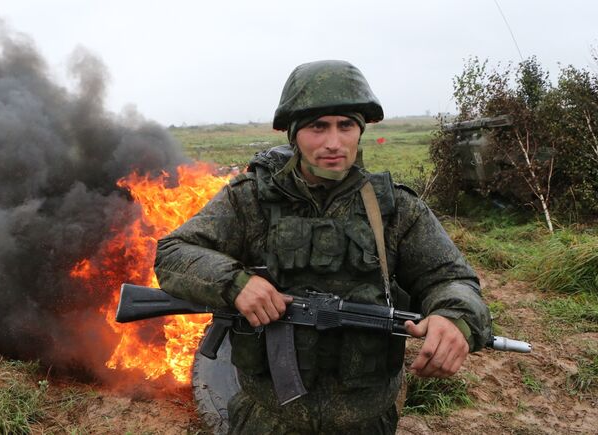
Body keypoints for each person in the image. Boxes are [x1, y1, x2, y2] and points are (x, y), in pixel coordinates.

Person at [154, 60, 491, 434]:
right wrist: (236, 285)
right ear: (294, 134)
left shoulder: (394, 208)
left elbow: (451, 278)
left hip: (365, 421)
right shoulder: (249, 200)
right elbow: (173, 253)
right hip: (266, 420)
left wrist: (454, 316)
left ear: (360, 132)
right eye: (318, 127)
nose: (333, 142)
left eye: (345, 126)